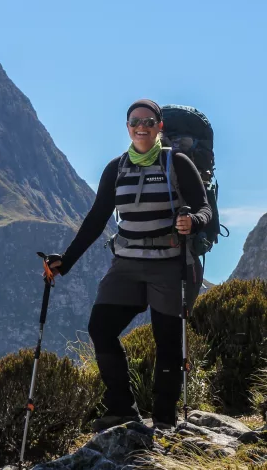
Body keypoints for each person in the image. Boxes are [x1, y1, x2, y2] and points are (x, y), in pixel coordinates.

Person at [46, 98, 211, 432]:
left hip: (168, 264)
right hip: (126, 265)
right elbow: (96, 219)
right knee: (101, 328)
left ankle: (164, 420)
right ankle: (122, 409)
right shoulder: (116, 168)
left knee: (168, 341)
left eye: (149, 122)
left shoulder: (176, 163)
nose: (141, 127)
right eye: (135, 121)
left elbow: (204, 209)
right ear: (127, 127)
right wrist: (67, 260)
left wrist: (192, 222)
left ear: (159, 126)